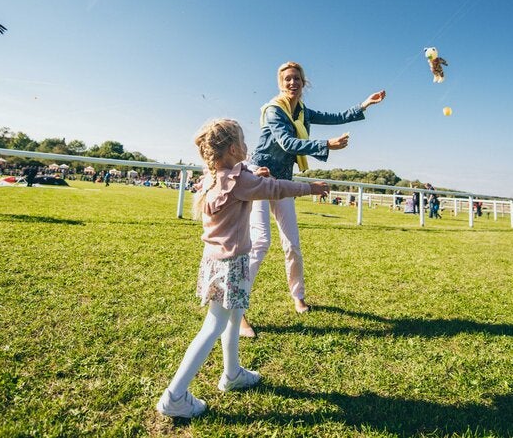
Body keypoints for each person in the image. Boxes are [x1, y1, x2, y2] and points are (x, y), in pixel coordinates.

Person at [156, 119, 327, 419]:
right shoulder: (239, 181)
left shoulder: (214, 176)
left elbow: (244, 179)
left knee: (234, 317)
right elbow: (275, 188)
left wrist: (252, 173)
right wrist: (309, 187)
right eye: (244, 140)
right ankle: (175, 396)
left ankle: (232, 373)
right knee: (214, 326)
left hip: (214, 261)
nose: (249, 145)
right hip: (230, 263)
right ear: (235, 149)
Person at [243, 61, 385, 337]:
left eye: (297, 78)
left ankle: (298, 296)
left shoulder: (304, 112)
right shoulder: (274, 110)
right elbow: (287, 143)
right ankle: (238, 308)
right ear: (280, 83)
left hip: (284, 179)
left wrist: (365, 105)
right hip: (260, 176)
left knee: (292, 244)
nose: (292, 83)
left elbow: (336, 116)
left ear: (303, 82)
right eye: (287, 79)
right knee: (260, 242)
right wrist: (325, 144)